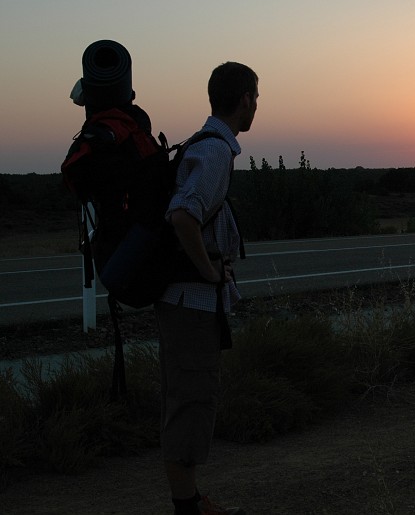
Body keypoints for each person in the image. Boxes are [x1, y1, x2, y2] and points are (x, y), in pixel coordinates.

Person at [155, 62, 258, 515]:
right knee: (192, 400)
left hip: (185, 302)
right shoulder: (216, 152)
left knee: (188, 398)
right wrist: (209, 271)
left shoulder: (207, 145)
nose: (257, 105)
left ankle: (190, 499)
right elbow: (183, 214)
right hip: (191, 303)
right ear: (244, 100)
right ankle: (187, 507)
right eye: (256, 97)